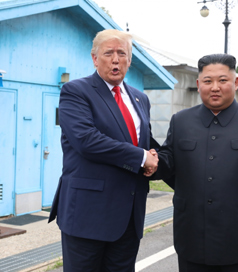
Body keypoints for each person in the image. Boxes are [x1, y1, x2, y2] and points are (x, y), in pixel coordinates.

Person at [149, 54, 238, 272]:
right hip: (193, 234)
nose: (215, 87)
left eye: (222, 80)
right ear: (198, 85)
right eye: (207, 81)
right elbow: (169, 164)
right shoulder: (181, 121)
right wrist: (149, 158)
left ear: (235, 83)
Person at [48, 29, 159, 272]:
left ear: (130, 60)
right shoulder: (76, 92)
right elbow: (87, 140)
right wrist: (142, 158)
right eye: (108, 53)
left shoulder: (141, 98)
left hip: (129, 215)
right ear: (95, 58)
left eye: (122, 53)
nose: (116, 59)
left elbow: (145, 143)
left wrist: (160, 159)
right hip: (88, 214)